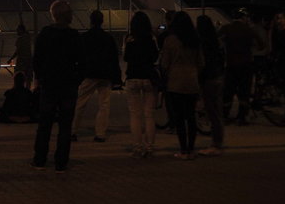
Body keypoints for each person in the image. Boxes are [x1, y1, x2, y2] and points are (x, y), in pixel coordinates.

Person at [31, 0, 82, 173]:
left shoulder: (45, 34)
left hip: (49, 84)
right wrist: (76, 79)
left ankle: (39, 159)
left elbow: (37, 60)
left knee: (45, 123)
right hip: (68, 84)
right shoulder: (74, 35)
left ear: (53, 15)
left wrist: (39, 78)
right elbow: (81, 62)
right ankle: (61, 161)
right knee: (65, 125)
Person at [160, 12, 204, 160]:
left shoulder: (170, 40)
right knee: (191, 116)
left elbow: (164, 63)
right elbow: (201, 63)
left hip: (175, 82)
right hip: (192, 81)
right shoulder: (195, 40)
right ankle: (191, 149)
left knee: (179, 118)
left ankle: (183, 149)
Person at [71, 10, 121, 142]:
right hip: (105, 74)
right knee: (104, 105)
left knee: (80, 102)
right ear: (102, 21)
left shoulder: (85, 37)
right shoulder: (108, 38)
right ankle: (100, 133)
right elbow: (114, 58)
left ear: (91, 21)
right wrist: (117, 78)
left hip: (90, 73)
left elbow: (79, 57)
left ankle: (73, 131)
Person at [123, 11, 159, 158]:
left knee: (135, 115)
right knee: (149, 115)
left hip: (133, 78)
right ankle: (149, 147)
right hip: (149, 77)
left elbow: (126, 57)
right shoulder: (151, 39)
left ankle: (137, 147)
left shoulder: (129, 39)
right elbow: (155, 56)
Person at [219, 10, 264, 124]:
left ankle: (225, 114)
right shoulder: (249, 30)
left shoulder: (226, 28)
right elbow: (261, 44)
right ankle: (242, 116)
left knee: (229, 90)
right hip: (246, 64)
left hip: (230, 64)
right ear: (244, 18)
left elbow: (217, 40)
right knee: (245, 90)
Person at [196, 14, 225, 156]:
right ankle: (217, 141)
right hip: (218, 76)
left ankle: (216, 144)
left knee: (212, 112)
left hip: (208, 79)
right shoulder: (215, 41)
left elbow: (202, 63)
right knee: (216, 111)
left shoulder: (202, 43)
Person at [12, 24, 34, 88]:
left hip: (21, 62)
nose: (17, 31)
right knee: (28, 78)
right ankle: (27, 91)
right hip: (29, 61)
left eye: (18, 30)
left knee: (18, 76)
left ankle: (18, 90)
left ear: (21, 30)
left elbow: (17, 51)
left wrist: (11, 59)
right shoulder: (27, 37)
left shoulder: (20, 39)